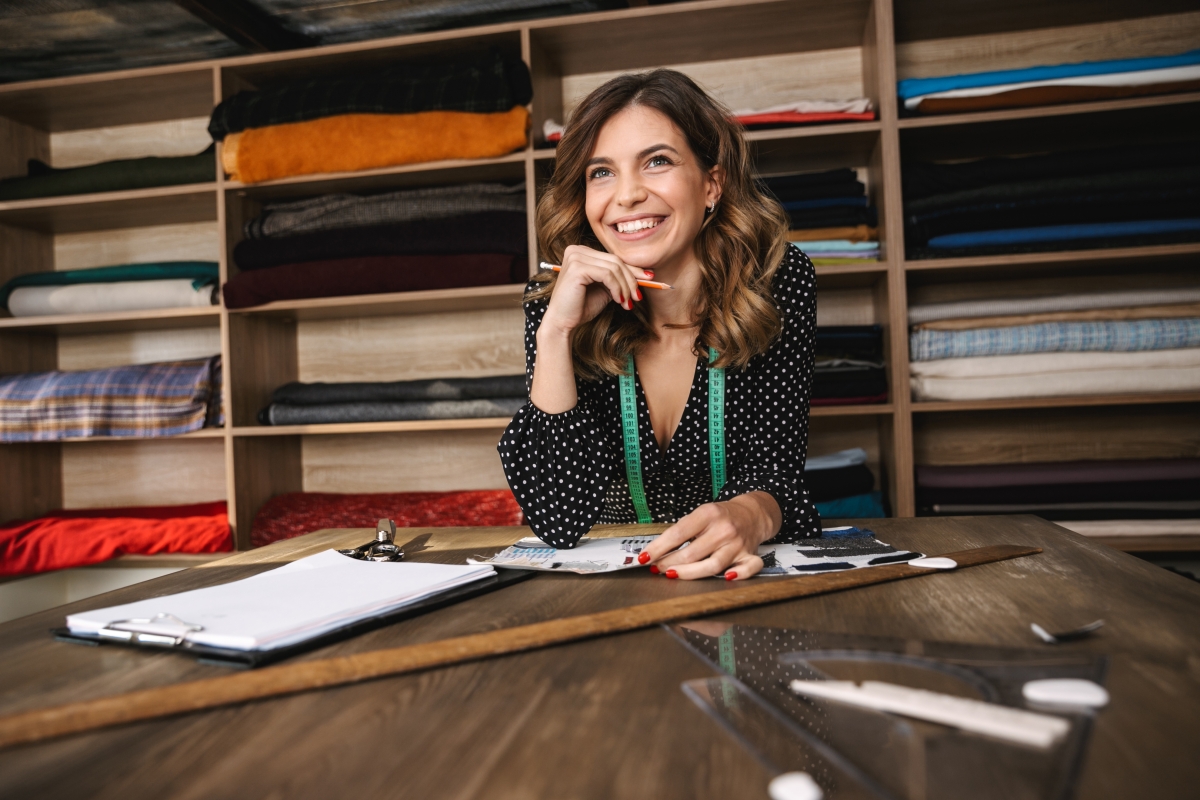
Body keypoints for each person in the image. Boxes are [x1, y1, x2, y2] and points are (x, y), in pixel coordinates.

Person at [497, 69, 819, 581]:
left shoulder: (775, 283)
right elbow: (556, 519)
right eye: (601, 172)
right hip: (603, 597)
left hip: (739, 580)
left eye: (657, 162)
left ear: (712, 184)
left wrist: (750, 514)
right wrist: (555, 334)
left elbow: (777, 468)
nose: (626, 196)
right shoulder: (557, 300)